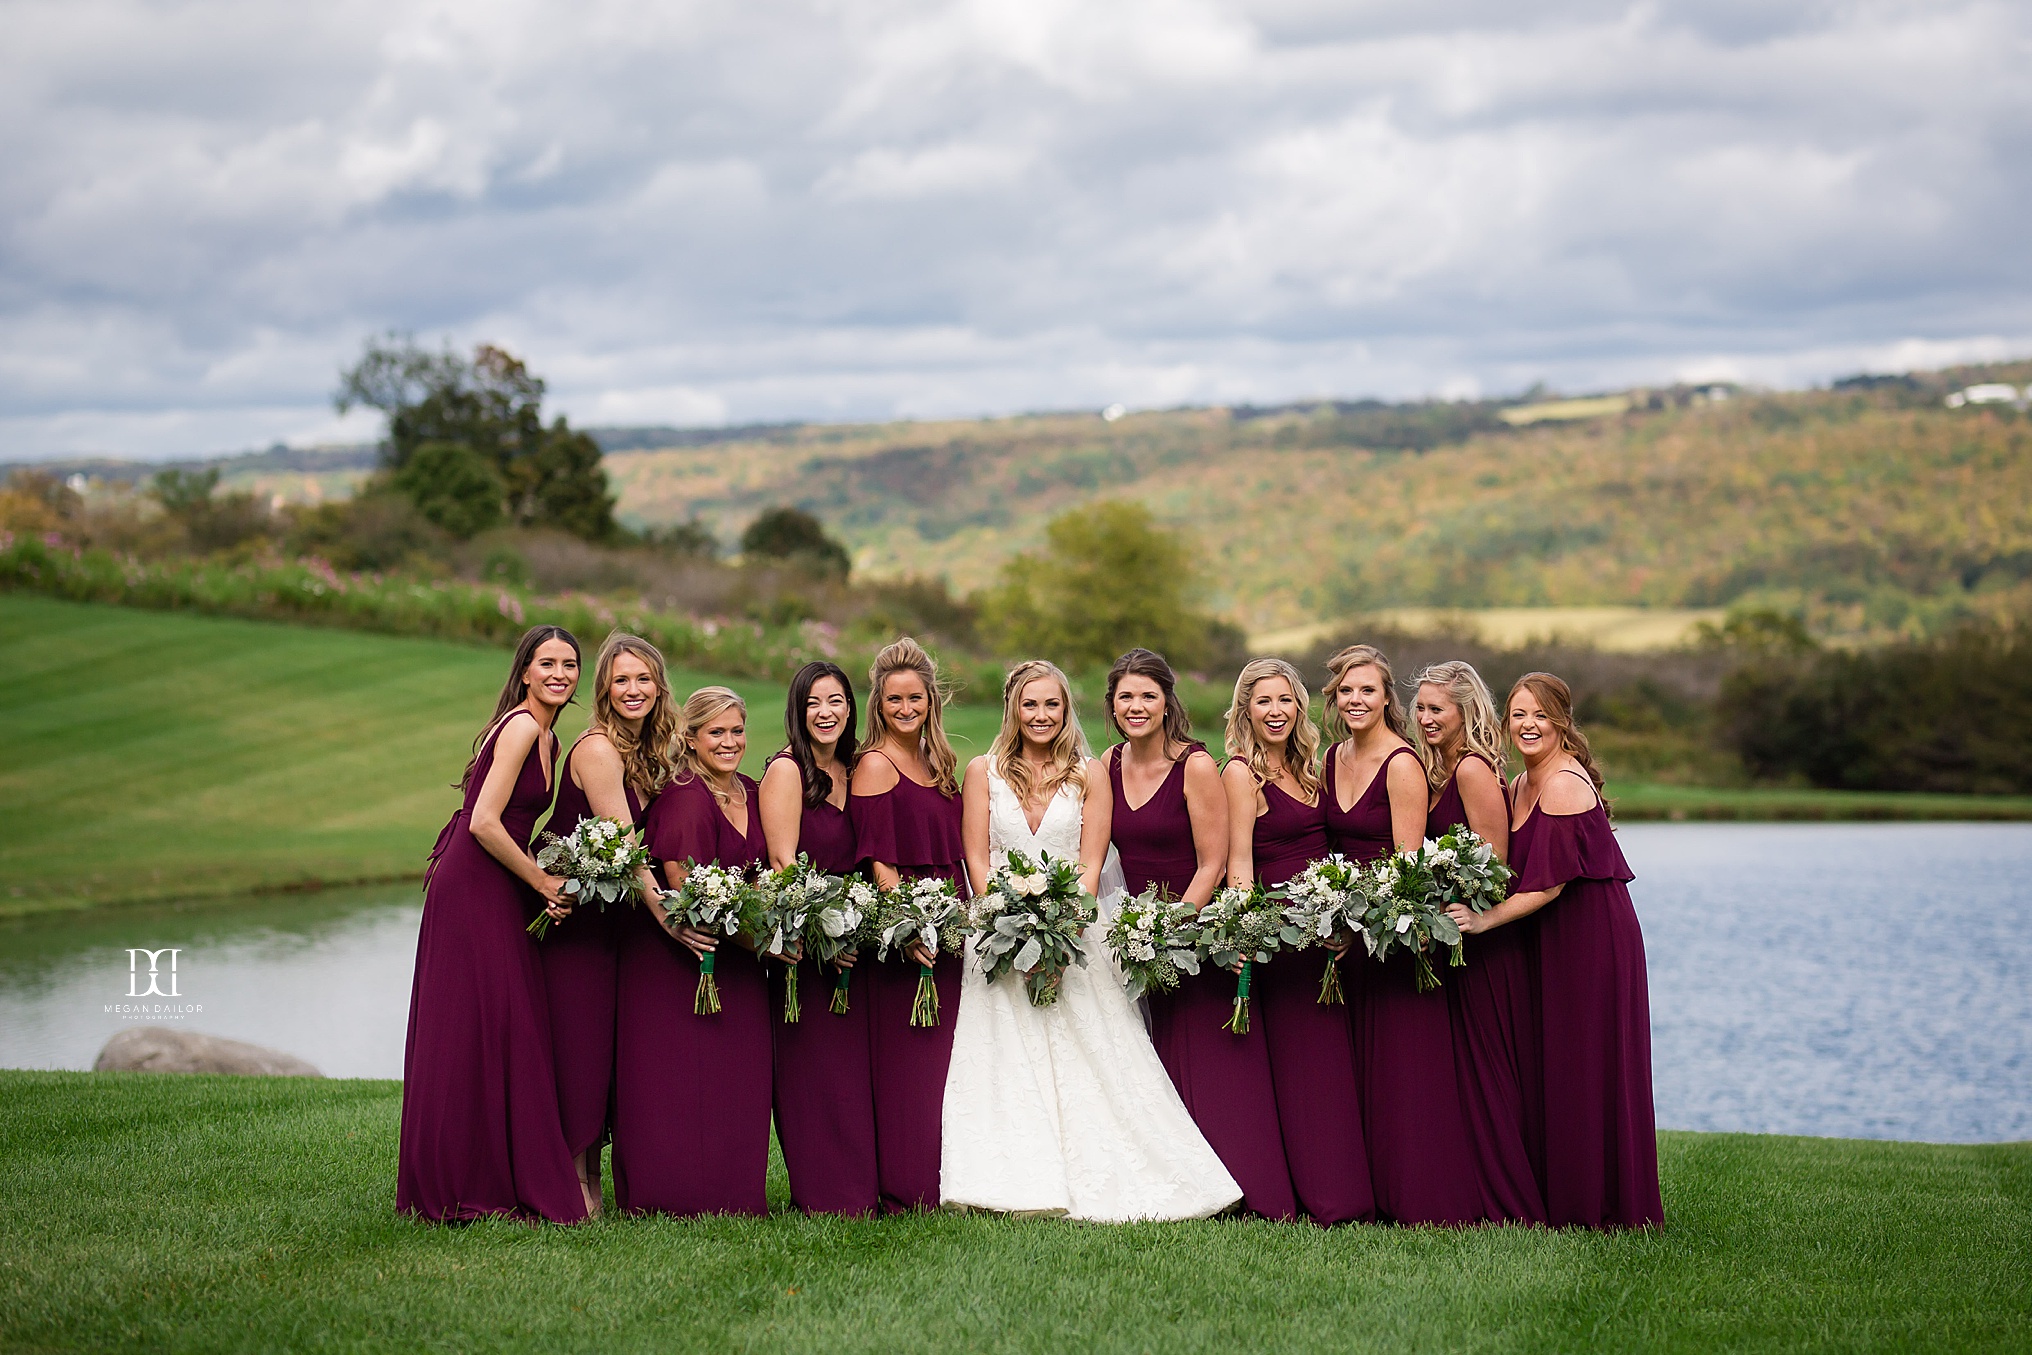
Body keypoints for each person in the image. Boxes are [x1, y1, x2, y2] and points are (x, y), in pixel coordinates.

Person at [941, 660, 1242, 1221]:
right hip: (996, 933)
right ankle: (1005, 1178)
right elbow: (977, 857)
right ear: (1012, 707)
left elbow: (1090, 863)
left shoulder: (1090, 772)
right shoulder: (983, 771)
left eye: (1051, 704)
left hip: (1075, 932)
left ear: (1067, 709)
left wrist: (1056, 930)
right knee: (1005, 1053)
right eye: (1029, 704)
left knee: (1097, 1057)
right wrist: (1008, 923)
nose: (1040, 715)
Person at [1447, 672, 1663, 1230]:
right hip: (1544, 936)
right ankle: (1556, 1198)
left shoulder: (1564, 782)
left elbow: (1548, 884)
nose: (1528, 726)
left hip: (1589, 938)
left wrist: (1482, 920)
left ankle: (1603, 1207)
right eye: (1518, 715)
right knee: (1554, 1067)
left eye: (1540, 715)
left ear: (1562, 721)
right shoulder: (1519, 784)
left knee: (1587, 1065)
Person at [396, 625, 587, 1224]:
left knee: (499, 1024)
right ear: (525, 671)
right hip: (472, 886)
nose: (560, 673)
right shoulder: (524, 726)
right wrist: (542, 882)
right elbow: (483, 822)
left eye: (570, 664)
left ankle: (490, 1171)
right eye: (547, 663)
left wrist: (549, 879)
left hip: (499, 885)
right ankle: (452, 1184)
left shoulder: (551, 738)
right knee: (470, 1027)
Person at [1323, 645, 1480, 1227]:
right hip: (1341, 931)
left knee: (1403, 1072)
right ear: (1334, 699)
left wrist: (1363, 923)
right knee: (1356, 1070)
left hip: (1391, 934)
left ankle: (1424, 1200)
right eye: (1346, 691)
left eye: (1368, 690)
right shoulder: (1332, 757)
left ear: (1388, 698)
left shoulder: (1403, 763)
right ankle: (1369, 1193)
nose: (1356, 700)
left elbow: (1407, 865)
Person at [612, 686, 775, 1216]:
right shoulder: (686, 796)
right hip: (685, 961)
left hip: (740, 965)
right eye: (716, 733)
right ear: (691, 738)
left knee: (739, 1079)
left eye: (737, 731)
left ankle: (734, 1193)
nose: (729, 743)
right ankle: (672, 1194)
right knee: (681, 1080)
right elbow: (687, 888)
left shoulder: (751, 790)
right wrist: (765, 941)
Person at [1223, 658, 1370, 1225]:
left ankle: (1345, 1190)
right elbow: (1239, 866)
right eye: (1263, 701)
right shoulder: (1240, 774)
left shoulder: (1314, 770)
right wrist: (1246, 936)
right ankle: (1321, 1199)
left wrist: (1344, 918)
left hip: (1328, 931)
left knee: (1333, 1066)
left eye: (1285, 700)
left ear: (1300, 708)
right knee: (1303, 1067)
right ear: (1246, 711)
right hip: (1281, 939)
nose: (1276, 712)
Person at [536, 632, 674, 1217]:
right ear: (604, 689)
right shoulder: (596, 750)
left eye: (644, 678)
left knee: (607, 1057)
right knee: (581, 1055)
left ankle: (594, 1178)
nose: (634, 689)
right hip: (579, 930)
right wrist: (669, 917)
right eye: (622, 679)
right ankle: (573, 1185)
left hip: (616, 929)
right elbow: (628, 850)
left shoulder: (649, 753)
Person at [1413, 660, 1545, 1224]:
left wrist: (1459, 907)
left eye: (1436, 709)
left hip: (1483, 946)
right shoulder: (1439, 767)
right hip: (1455, 939)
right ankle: (1474, 1193)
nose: (1424, 718)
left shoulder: (1469, 768)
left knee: (1489, 1072)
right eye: (1419, 708)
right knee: (1465, 1073)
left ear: (1465, 711)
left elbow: (1495, 865)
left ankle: (1509, 1202)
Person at [849, 637, 968, 1213]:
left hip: (953, 920)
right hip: (907, 932)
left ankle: (948, 1177)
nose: (905, 708)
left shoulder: (941, 762)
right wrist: (915, 925)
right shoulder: (874, 763)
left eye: (914, 698)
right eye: (893, 699)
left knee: (946, 1061)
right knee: (908, 1065)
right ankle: (906, 1185)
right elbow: (879, 861)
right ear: (878, 703)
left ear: (930, 701)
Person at [759, 660, 877, 1215]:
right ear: (798, 711)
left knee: (855, 1075)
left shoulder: (859, 768)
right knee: (816, 1074)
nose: (825, 713)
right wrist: (827, 930)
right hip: (807, 949)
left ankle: (862, 1184)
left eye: (835, 701)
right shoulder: (786, 772)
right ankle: (825, 1192)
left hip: (860, 944)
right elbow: (783, 864)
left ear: (851, 708)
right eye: (813, 703)